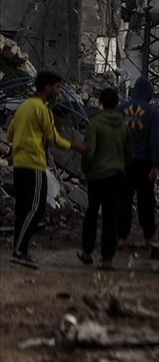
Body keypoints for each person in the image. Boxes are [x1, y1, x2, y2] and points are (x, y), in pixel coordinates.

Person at [6, 71, 88, 268]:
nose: (59, 92)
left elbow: (9, 134)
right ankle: (18, 251)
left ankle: (20, 252)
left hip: (18, 164)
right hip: (33, 164)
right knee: (37, 208)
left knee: (23, 210)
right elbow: (54, 139)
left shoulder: (24, 106)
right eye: (57, 87)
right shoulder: (42, 109)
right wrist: (75, 146)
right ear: (47, 88)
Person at [78, 88, 133, 271]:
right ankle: (107, 260)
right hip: (116, 177)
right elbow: (128, 154)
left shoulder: (95, 125)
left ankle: (87, 253)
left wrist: (86, 169)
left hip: (97, 176)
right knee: (111, 218)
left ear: (100, 102)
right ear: (118, 102)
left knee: (92, 214)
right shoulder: (123, 126)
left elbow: (89, 151)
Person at [117, 76, 159, 251]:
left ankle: (121, 239)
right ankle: (149, 238)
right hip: (144, 164)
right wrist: (155, 164)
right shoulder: (151, 112)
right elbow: (154, 141)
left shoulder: (121, 109)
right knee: (146, 202)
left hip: (124, 163)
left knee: (124, 201)